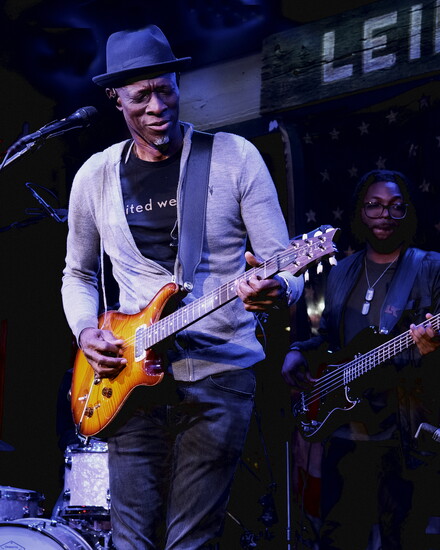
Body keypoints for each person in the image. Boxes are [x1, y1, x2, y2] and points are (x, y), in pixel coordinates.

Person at [61, 25, 304, 550]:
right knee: (130, 540)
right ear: (116, 100)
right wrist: (85, 331)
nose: (156, 106)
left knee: (189, 541)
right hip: (128, 380)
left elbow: (287, 266)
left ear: (178, 81)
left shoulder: (235, 157)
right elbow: (77, 274)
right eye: (140, 96)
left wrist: (278, 290)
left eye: (165, 89)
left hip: (220, 376)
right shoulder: (94, 177)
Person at [282, 169, 440, 550]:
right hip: (345, 431)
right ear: (360, 212)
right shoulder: (343, 272)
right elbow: (329, 340)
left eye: (395, 207)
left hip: (403, 431)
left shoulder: (429, 266)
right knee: (340, 536)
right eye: (374, 206)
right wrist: (296, 351)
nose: (384, 215)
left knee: (403, 538)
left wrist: (428, 350)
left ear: (408, 213)